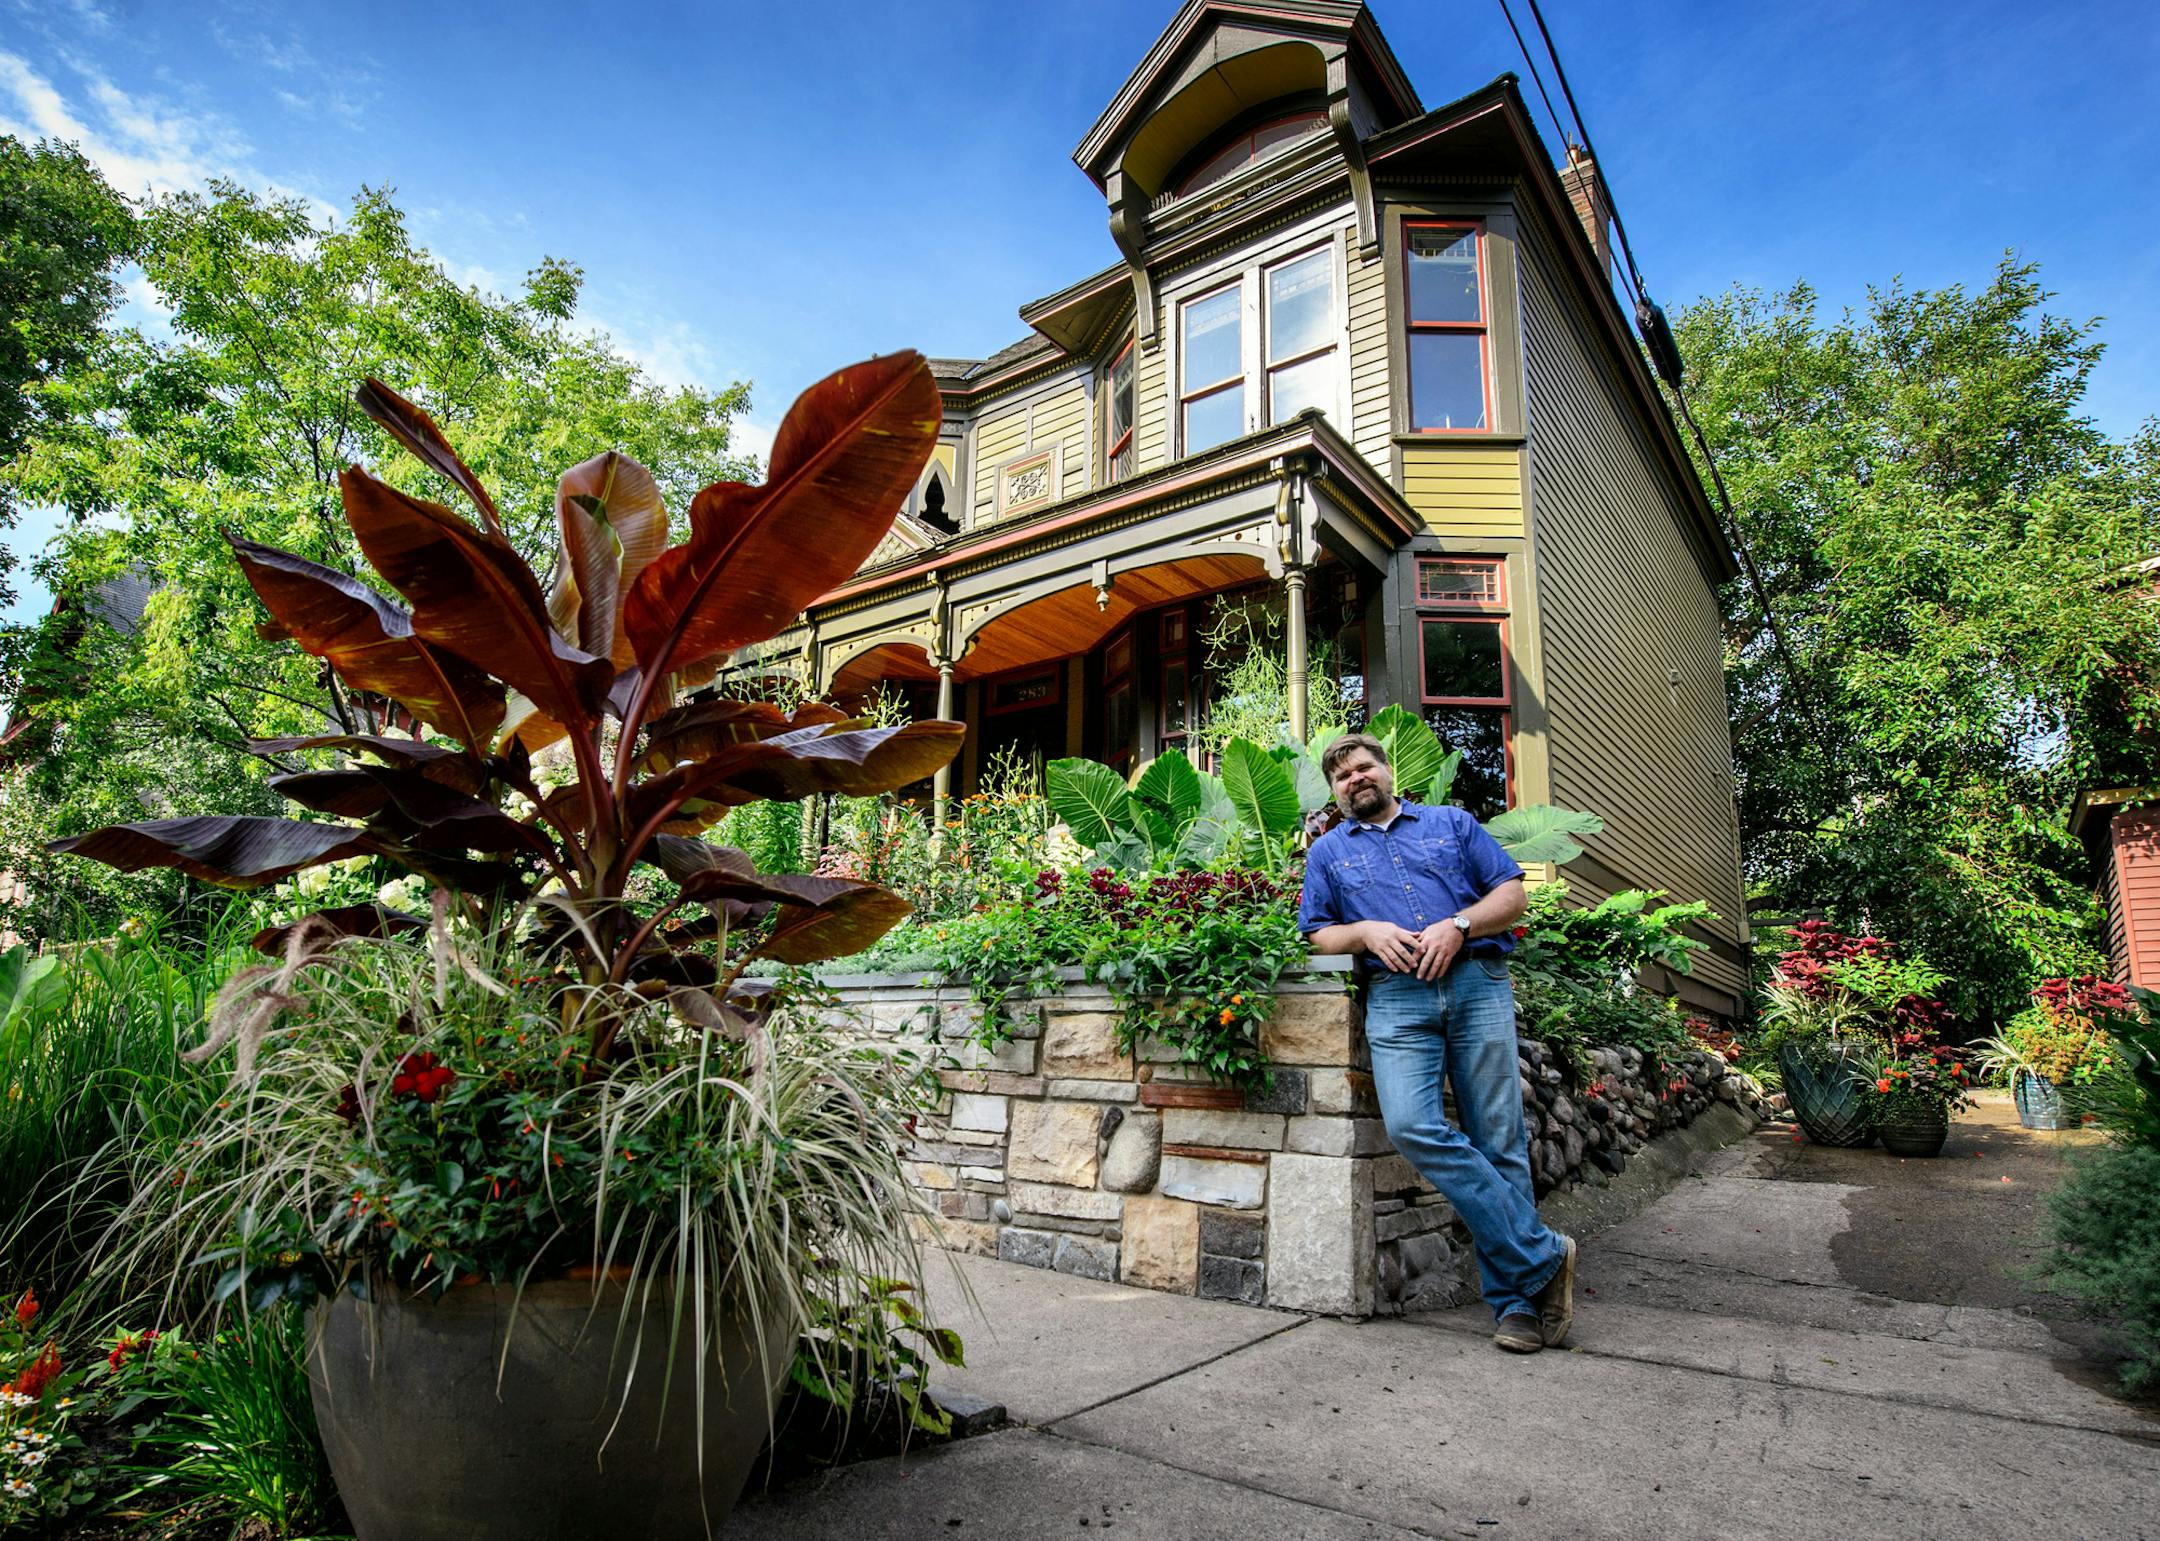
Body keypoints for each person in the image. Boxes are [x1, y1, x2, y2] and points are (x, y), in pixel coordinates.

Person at [1298, 731, 1576, 1352]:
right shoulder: (1328, 854)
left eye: (1364, 767)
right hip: (1396, 997)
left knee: (1498, 1138)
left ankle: (1517, 1308)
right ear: (1335, 792)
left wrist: (1459, 924)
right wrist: (1366, 931)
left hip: (1476, 981)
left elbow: (1511, 893)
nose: (1356, 780)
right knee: (1412, 1124)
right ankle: (1542, 1255)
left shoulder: (1451, 823)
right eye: (1342, 777)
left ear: (1387, 771)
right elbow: (1317, 934)